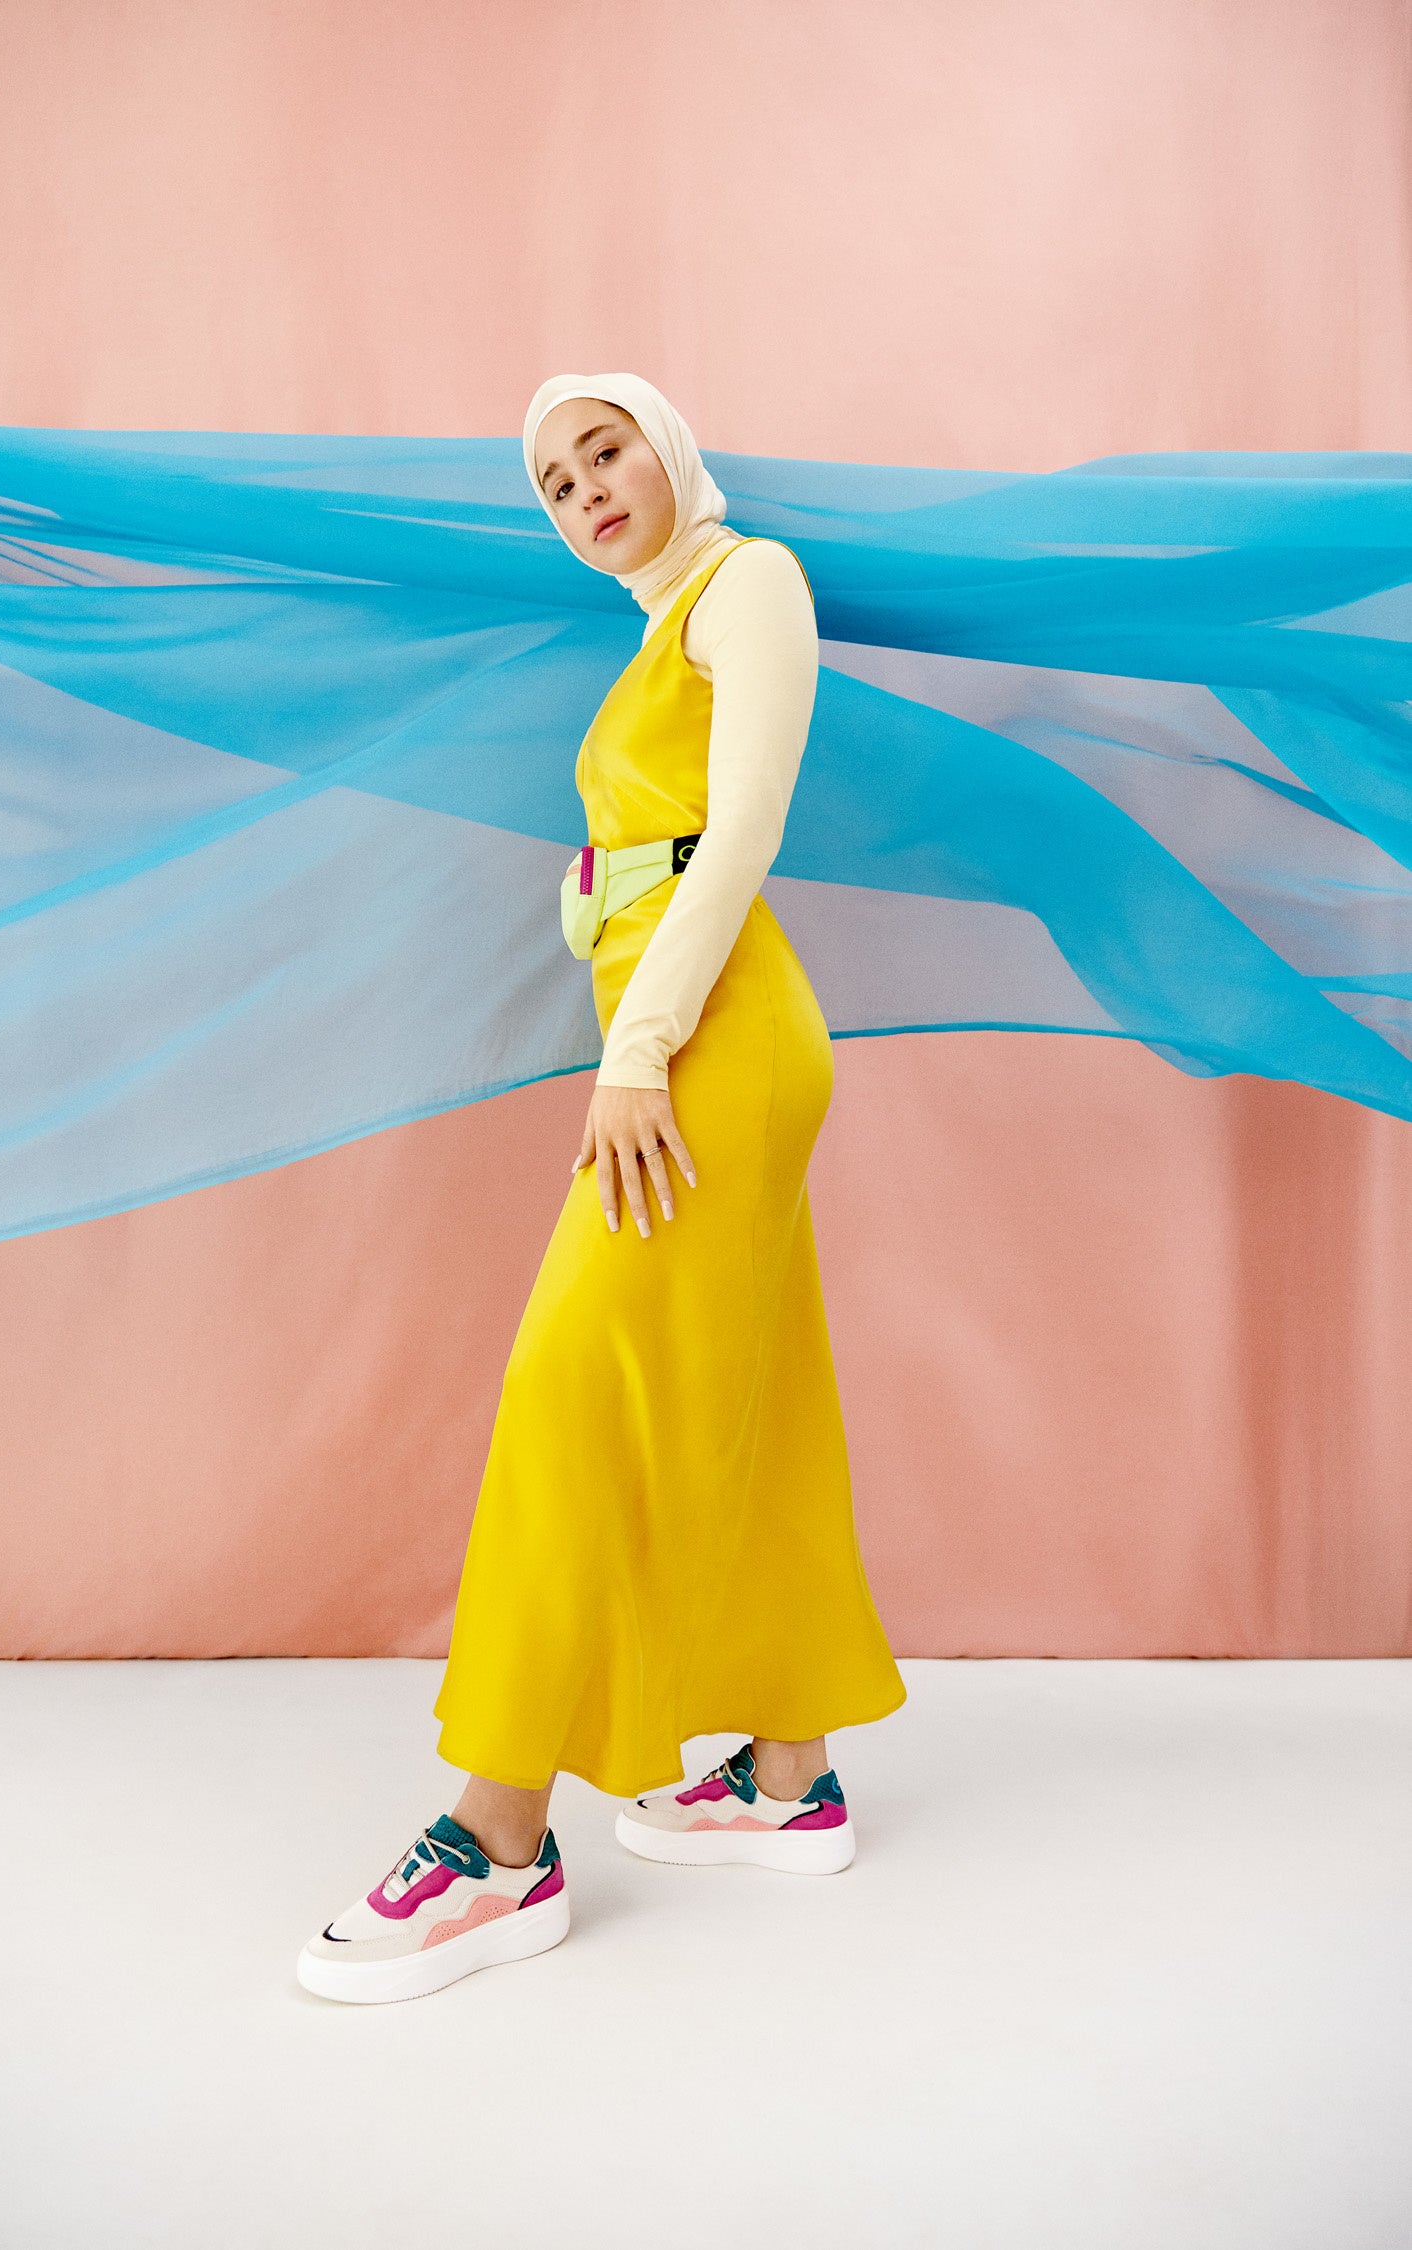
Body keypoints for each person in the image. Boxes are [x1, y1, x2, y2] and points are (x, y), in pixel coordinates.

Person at [297, 373, 906, 2006]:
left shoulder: (748, 579)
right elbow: (661, 837)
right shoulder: (654, 641)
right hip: (681, 1028)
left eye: (605, 449)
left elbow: (742, 832)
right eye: (557, 484)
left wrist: (636, 1047)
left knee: (572, 1383)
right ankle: (792, 1772)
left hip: (709, 1039)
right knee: (766, 1392)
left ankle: (498, 1839)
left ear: (669, 446)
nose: (587, 491)